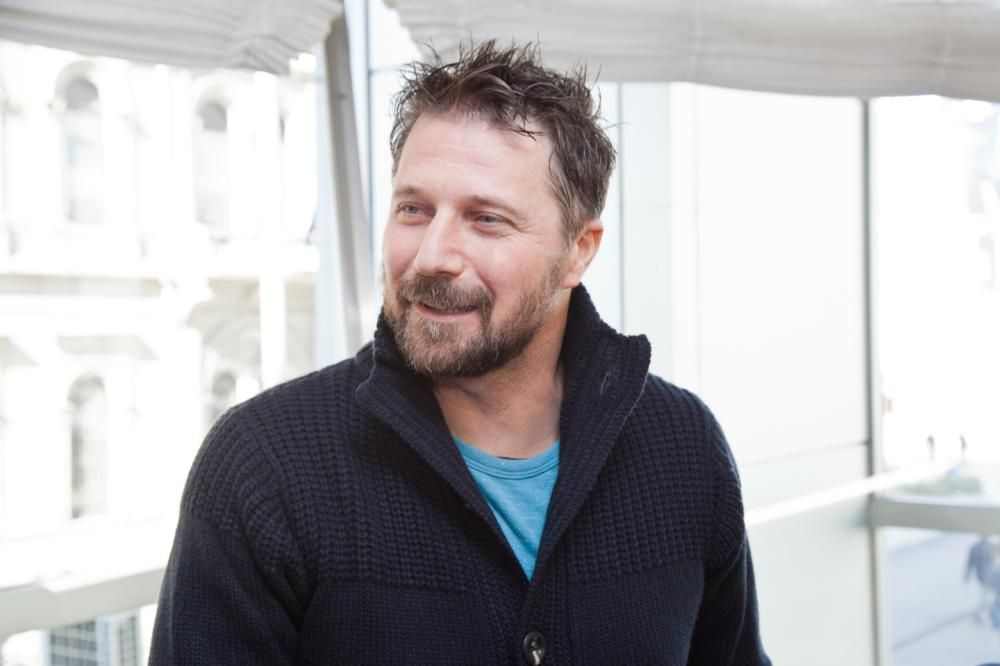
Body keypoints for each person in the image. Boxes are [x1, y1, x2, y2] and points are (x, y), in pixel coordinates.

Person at [150, 41, 771, 664]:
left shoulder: (684, 447)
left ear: (578, 251)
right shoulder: (262, 466)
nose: (431, 257)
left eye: (487, 219)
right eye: (413, 210)